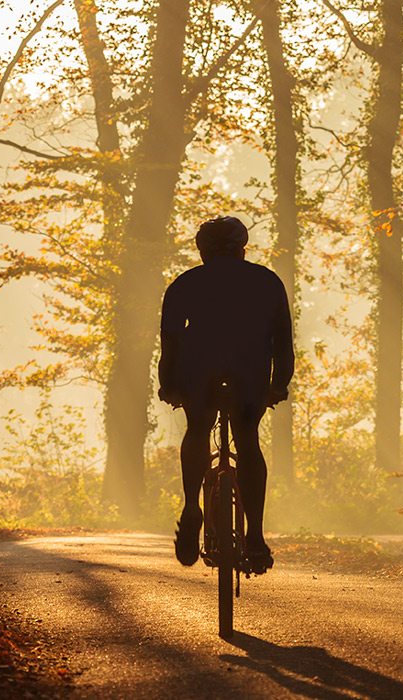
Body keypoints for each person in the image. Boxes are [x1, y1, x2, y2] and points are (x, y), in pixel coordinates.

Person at [157, 216, 294, 573]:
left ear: (202, 252)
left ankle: (191, 507)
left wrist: (168, 385)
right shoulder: (266, 281)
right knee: (247, 440)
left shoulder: (184, 284)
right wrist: (279, 383)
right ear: (242, 249)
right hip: (250, 374)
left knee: (197, 430)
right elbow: (282, 341)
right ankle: (255, 537)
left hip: (197, 372)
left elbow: (170, 343)